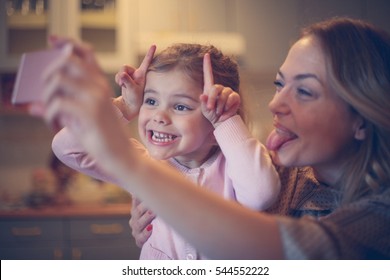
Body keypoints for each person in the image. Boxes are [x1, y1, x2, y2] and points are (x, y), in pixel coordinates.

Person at [32, 16, 390, 259]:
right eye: (280, 84)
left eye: (306, 91)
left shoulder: (376, 218)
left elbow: (282, 241)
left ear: (362, 117)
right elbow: (67, 146)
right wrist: (123, 109)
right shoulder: (285, 172)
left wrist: (132, 167)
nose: (275, 103)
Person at [49, 43, 281, 259]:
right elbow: (67, 147)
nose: (159, 116)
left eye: (180, 106)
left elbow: (261, 194)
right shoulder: (140, 166)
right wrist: (125, 106)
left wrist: (226, 122)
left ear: (215, 116)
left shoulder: (238, 166)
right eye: (150, 101)